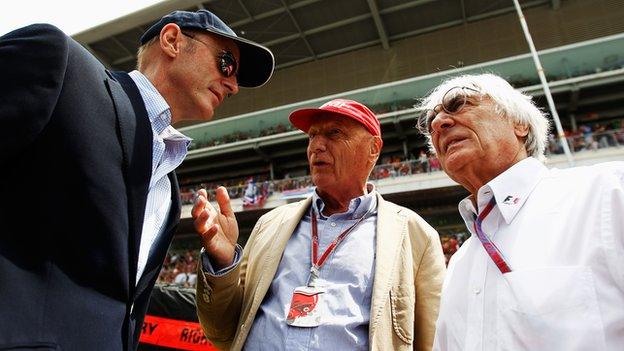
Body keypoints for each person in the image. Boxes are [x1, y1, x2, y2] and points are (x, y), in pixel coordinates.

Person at [0, 9, 273, 351]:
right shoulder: (62, 65)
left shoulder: (170, 190)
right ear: (172, 41)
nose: (233, 85)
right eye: (226, 64)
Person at [192, 99, 446, 350]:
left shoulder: (415, 235)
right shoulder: (269, 225)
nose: (317, 146)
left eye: (334, 133)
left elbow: (435, 341)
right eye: (312, 136)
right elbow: (222, 330)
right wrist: (224, 264)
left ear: (373, 148)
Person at [416, 73, 624, 350]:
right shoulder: (460, 263)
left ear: (520, 124)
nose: (439, 123)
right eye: (431, 121)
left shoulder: (606, 192)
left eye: (459, 103)